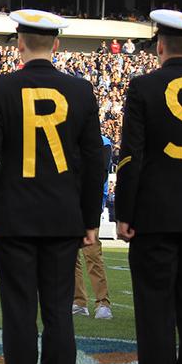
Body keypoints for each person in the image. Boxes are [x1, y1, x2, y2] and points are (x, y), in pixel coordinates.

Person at [0, 9, 105, 364]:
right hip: (62, 219)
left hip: (14, 217)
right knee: (58, 314)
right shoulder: (82, 91)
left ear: (19, 43)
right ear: (57, 45)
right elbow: (92, 163)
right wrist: (89, 220)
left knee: (18, 314)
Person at [115, 9, 182, 364]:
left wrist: (124, 212)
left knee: (155, 313)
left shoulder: (144, 86)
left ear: (160, 46)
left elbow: (132, 156)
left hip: (156, 216)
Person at [73, 134, 113, 320]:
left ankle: (103, 302)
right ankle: (79, 301)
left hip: (90, 204)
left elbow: (100, 174)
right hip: (71, 203)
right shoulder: (72, 137)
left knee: (92, 254)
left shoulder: (103, 142)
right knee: (71, 255)